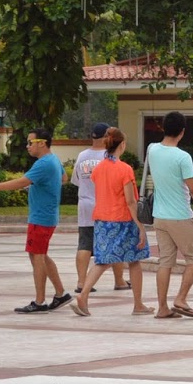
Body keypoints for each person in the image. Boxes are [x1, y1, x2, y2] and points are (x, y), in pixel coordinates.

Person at [0, 127, 72, 314]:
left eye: (30, 142)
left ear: (42, 143)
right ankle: (61, 294)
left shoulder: (43, 164)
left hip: (41, 217)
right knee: (41, 254)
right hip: (47, 215)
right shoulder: (53, 160)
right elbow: (63, 178)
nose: (27, 146)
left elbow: (21, 182)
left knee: (37, 255)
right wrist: (43, 186)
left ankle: (39, 301)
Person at [146, 111, 193, 319]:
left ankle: (162, 308)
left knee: (165, 262)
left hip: (159, 216)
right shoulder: (182, 157)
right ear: (183, 132)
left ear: (163, 128)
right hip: (179, 216)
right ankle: (181, 298)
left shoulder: (152, 150)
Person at [74, 128, 151, 317]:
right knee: (134, 260)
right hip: (123, 220)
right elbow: (130, 201)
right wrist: (140, 226)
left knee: (102, 261)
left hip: (102, 220)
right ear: (122, 144)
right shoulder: (125, 169)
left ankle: (83, 295)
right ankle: (138, 304)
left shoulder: (99, 168)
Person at [72, 122, 126, 295]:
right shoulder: (109, 157)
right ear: (106, 138)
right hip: (106, 206)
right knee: (115, 242)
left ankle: (81, 282)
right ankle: (119, 280)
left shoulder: (81, 156)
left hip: (85, 206)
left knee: (84, 244)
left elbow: (76, 180)